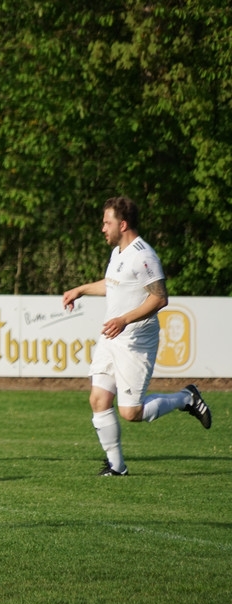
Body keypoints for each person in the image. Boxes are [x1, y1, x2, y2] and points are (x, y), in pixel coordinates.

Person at [62, 196, 212, 477]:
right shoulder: (118, 253)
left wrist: (124, 320)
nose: (103, 228)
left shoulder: (144, 256)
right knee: (98, 399)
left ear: (123, 224)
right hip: (112, 336)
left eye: (107, 223)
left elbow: (160, 298)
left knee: (131, 413)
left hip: (135, 340)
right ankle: (117, 467)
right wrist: (80, 290)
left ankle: (186, 398)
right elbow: (113, 285)